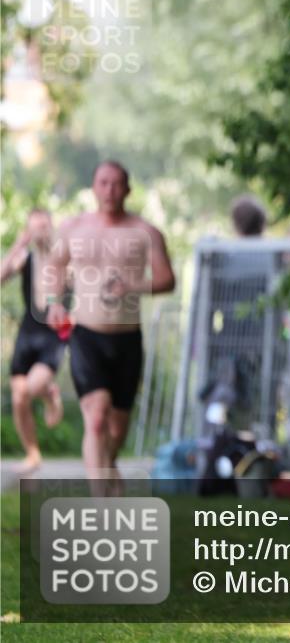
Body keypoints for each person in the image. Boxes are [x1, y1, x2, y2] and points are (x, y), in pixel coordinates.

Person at [45, 160, 175, 482]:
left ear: (128, 189)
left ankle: (107, 470)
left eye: (117, 184)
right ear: (93, 187)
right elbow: (55, 268)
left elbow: (166, 279)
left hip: (127, 338)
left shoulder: (146, 232)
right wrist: (53, 305)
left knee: (116, 429)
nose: (110, 190)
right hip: (86, 334)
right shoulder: (73, 228)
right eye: (103, 183)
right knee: (97, 419)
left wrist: (133, 286)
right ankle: (101, 503)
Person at [1, 209, 67, 473]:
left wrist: (56, 305)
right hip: (28, 332)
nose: (40, 231)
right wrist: (18, 245)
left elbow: (60, 287)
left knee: (30, 388)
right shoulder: (24, 258)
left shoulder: (63, 256)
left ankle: (50, 394)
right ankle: (33, 454)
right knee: (19, 398)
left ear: (51, 226)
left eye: (44, 226)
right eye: (34, 227)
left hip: (53, 332)